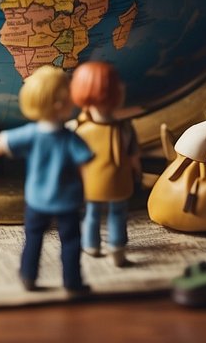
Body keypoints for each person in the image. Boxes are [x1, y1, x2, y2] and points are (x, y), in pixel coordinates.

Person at [0, 66, 94, 295]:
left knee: (33, 240)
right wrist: (92, 194)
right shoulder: (70, 139)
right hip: (67, 203)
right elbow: (86, 168)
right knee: (71, 242)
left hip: (36, 202)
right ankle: (72, 284)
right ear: (58, 104)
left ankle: (28, 276)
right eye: (69, 95)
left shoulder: (29, 134)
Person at [70, 60, 139, 267]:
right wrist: (138, 173)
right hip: (119, 181)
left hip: (91, 183)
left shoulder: (77, 128)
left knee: (91, 212)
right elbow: (134, 156)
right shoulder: (125, 128)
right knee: (118, 213)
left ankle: (91, 245)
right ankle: (116, 248)